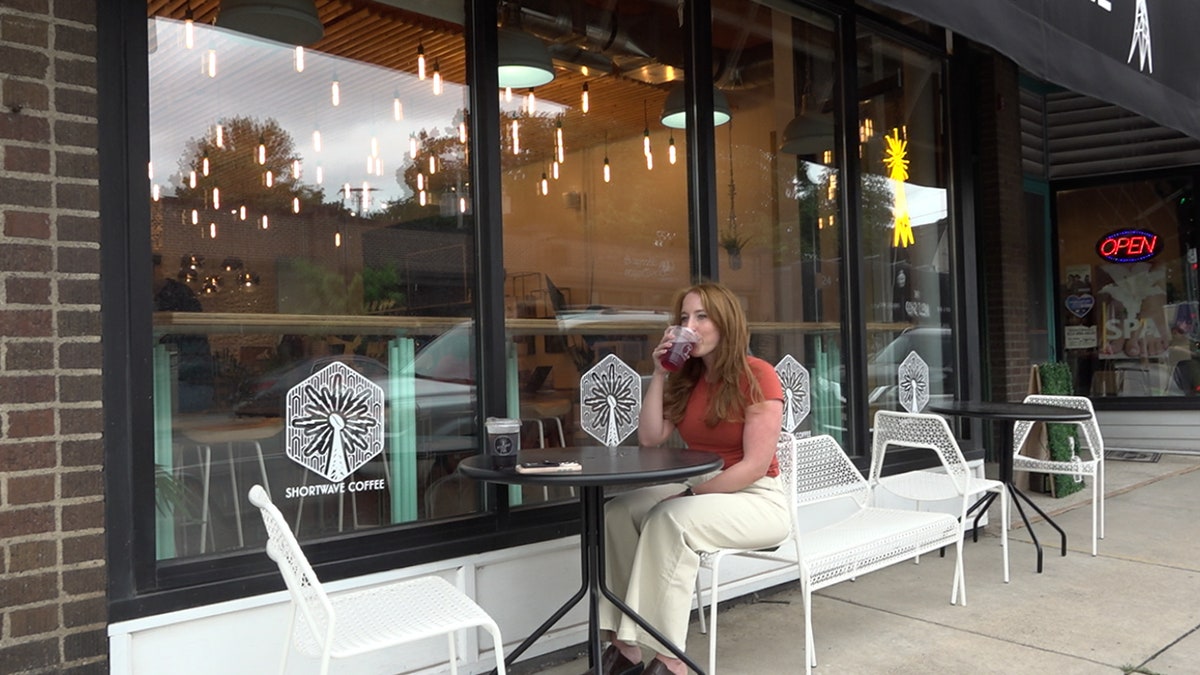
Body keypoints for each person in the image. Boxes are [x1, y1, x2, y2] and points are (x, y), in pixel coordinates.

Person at [597, 282, 790, 675]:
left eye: (702, 317)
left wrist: (689, 495)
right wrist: (659, 373)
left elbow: (754, 466)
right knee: (618, 512)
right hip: (703, 489)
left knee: (669, 519)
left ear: (726, 323)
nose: (690, 326)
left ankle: (671, 660)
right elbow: (650, 437)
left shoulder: (758, 375)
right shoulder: (689, 378)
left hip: (757, 497)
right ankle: (625, 647)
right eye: (684, 318)